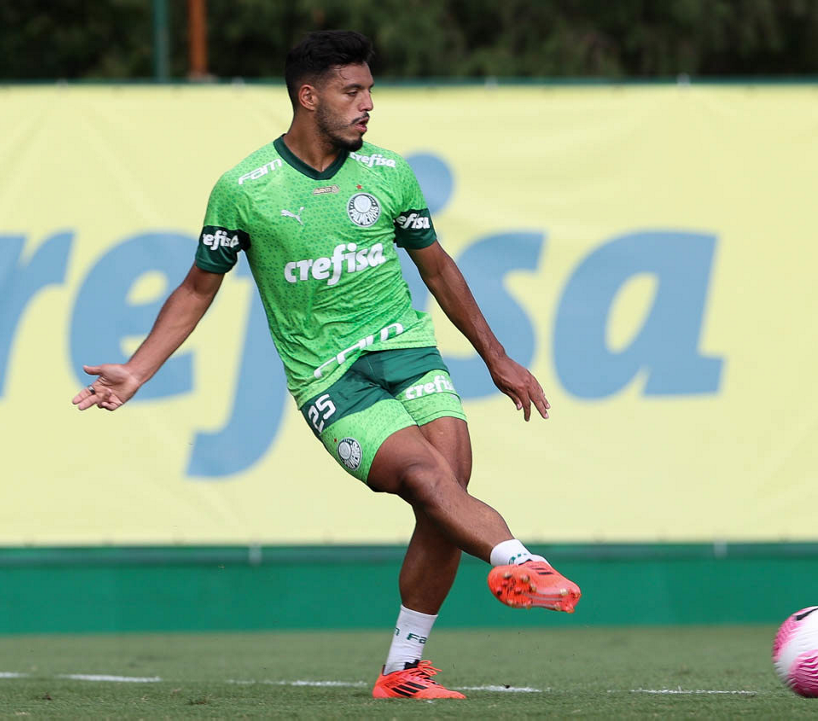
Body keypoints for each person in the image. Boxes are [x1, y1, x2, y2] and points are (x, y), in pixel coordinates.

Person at [72, 29, 581, 700]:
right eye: (352, 91)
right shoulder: (245, 188)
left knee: (447, 496)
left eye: (370, 90)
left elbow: (437, 268)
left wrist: (497, 356)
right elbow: (197, 288)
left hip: (409, 352)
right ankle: (519, 560)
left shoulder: (388, 173)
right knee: (428, 479)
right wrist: (137, 371)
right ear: (308, 96)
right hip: (331, 380)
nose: (368, 104)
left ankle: (402, 669)